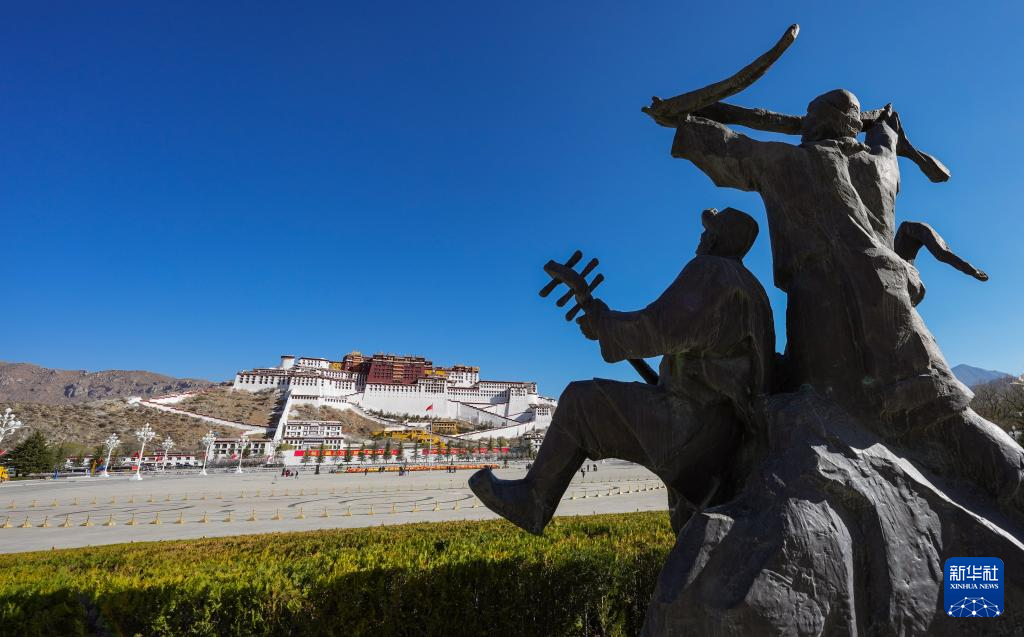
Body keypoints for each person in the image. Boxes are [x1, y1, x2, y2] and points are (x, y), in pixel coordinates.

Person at [668, 90, 1024, 508]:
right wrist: (887, 127)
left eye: (810, 114)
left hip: (822, 307)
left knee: (813, 413)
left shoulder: (789, 161)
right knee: (944, 416)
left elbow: (729, 147)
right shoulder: (881, 166)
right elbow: (885, 139)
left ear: (820, 121)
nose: (803, 122)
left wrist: (684, 121)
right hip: (891, 303)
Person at [470, 208, 775, 535]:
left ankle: (533, 500)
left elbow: (658, 328)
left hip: (694, 426)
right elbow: (706, 361)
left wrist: (602, 321)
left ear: (715, 239)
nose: (701, 237)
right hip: (723, 437)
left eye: (707, 231)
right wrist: (605, 325)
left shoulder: (713, 271)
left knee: (581, 404)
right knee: (689, 529)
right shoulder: (754, 291)